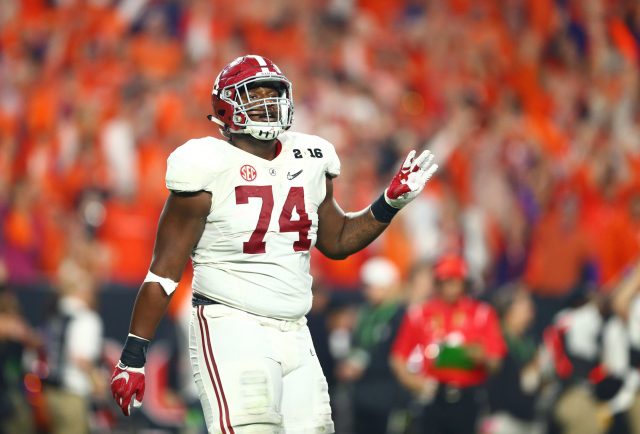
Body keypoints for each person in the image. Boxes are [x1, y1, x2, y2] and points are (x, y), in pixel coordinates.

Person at [110, 54, 438, 434]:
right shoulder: (205, 163)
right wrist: (133, 355)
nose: (268, 102)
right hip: (231, 321)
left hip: (295, 329)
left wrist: (388, 204)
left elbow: (337, 241)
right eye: (255, 94)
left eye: (274, 92)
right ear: (226, 105)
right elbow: (164, 273)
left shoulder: (311, 157)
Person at [390, 254, 506, 434]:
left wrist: (480, 356)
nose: (449, 287)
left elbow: (496, 361)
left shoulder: (482, 314)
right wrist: (412, 381)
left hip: (469, 396)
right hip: (432, 394)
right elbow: (398, 356)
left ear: (465, 282)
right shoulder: (420, 314)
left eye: (454, 281)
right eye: (444, 281)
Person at [336, 257, 410, 434]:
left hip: (386, 393)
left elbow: (396, 356)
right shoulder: (364, 313)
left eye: (374, 287)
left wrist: (365, 367)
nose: (369, 292)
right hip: (361, 393)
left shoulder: (399, 316)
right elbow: (357, 345)